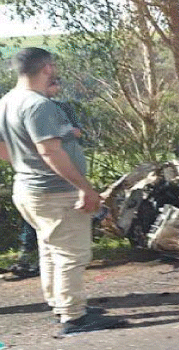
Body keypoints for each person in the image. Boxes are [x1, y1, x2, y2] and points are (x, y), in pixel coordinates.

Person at [0, 47, 123, 334]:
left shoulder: (6, 102)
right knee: (72, 254)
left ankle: (61, 304)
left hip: (28, 188)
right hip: (55, 191)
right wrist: (85, 187)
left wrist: (24, 162)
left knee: (51, 249)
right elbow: (50, 151)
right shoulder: (38, 105)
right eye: (52, 67)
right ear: (47, 69)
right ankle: (74, 317)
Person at [6, 77, 82, 281]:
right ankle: (70, 309)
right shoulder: (30, 106)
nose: (53, 87)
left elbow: (76, 131)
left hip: (56, 178)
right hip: (45, 184)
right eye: (50, 83)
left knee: (51, 243)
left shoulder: (61, 107)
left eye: (56, 84)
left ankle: (58, 301)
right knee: (66, 251)